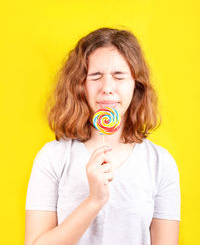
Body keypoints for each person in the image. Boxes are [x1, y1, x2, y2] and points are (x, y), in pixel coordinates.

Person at [25, 27, 181, 245]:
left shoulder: (160, 163)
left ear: (136, 85)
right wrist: (94, 201)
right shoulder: (53, 157)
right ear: (80, 85)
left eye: (119, 76)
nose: (107, 88)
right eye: (95, 76)